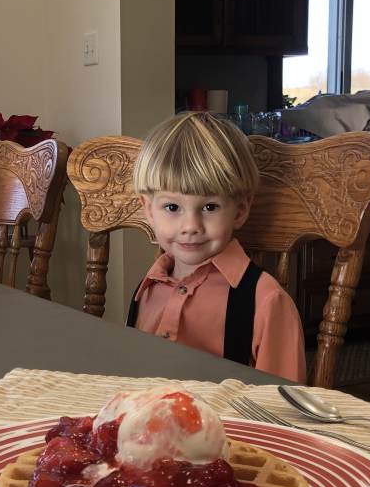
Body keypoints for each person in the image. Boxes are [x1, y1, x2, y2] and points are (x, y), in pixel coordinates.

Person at [128, 111, 306, 382]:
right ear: (149, 210)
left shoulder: (266, 302)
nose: (191, 225)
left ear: (239, 210)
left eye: (210, 207)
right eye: (172, 207)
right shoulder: (147, 289)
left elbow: (280, 407)